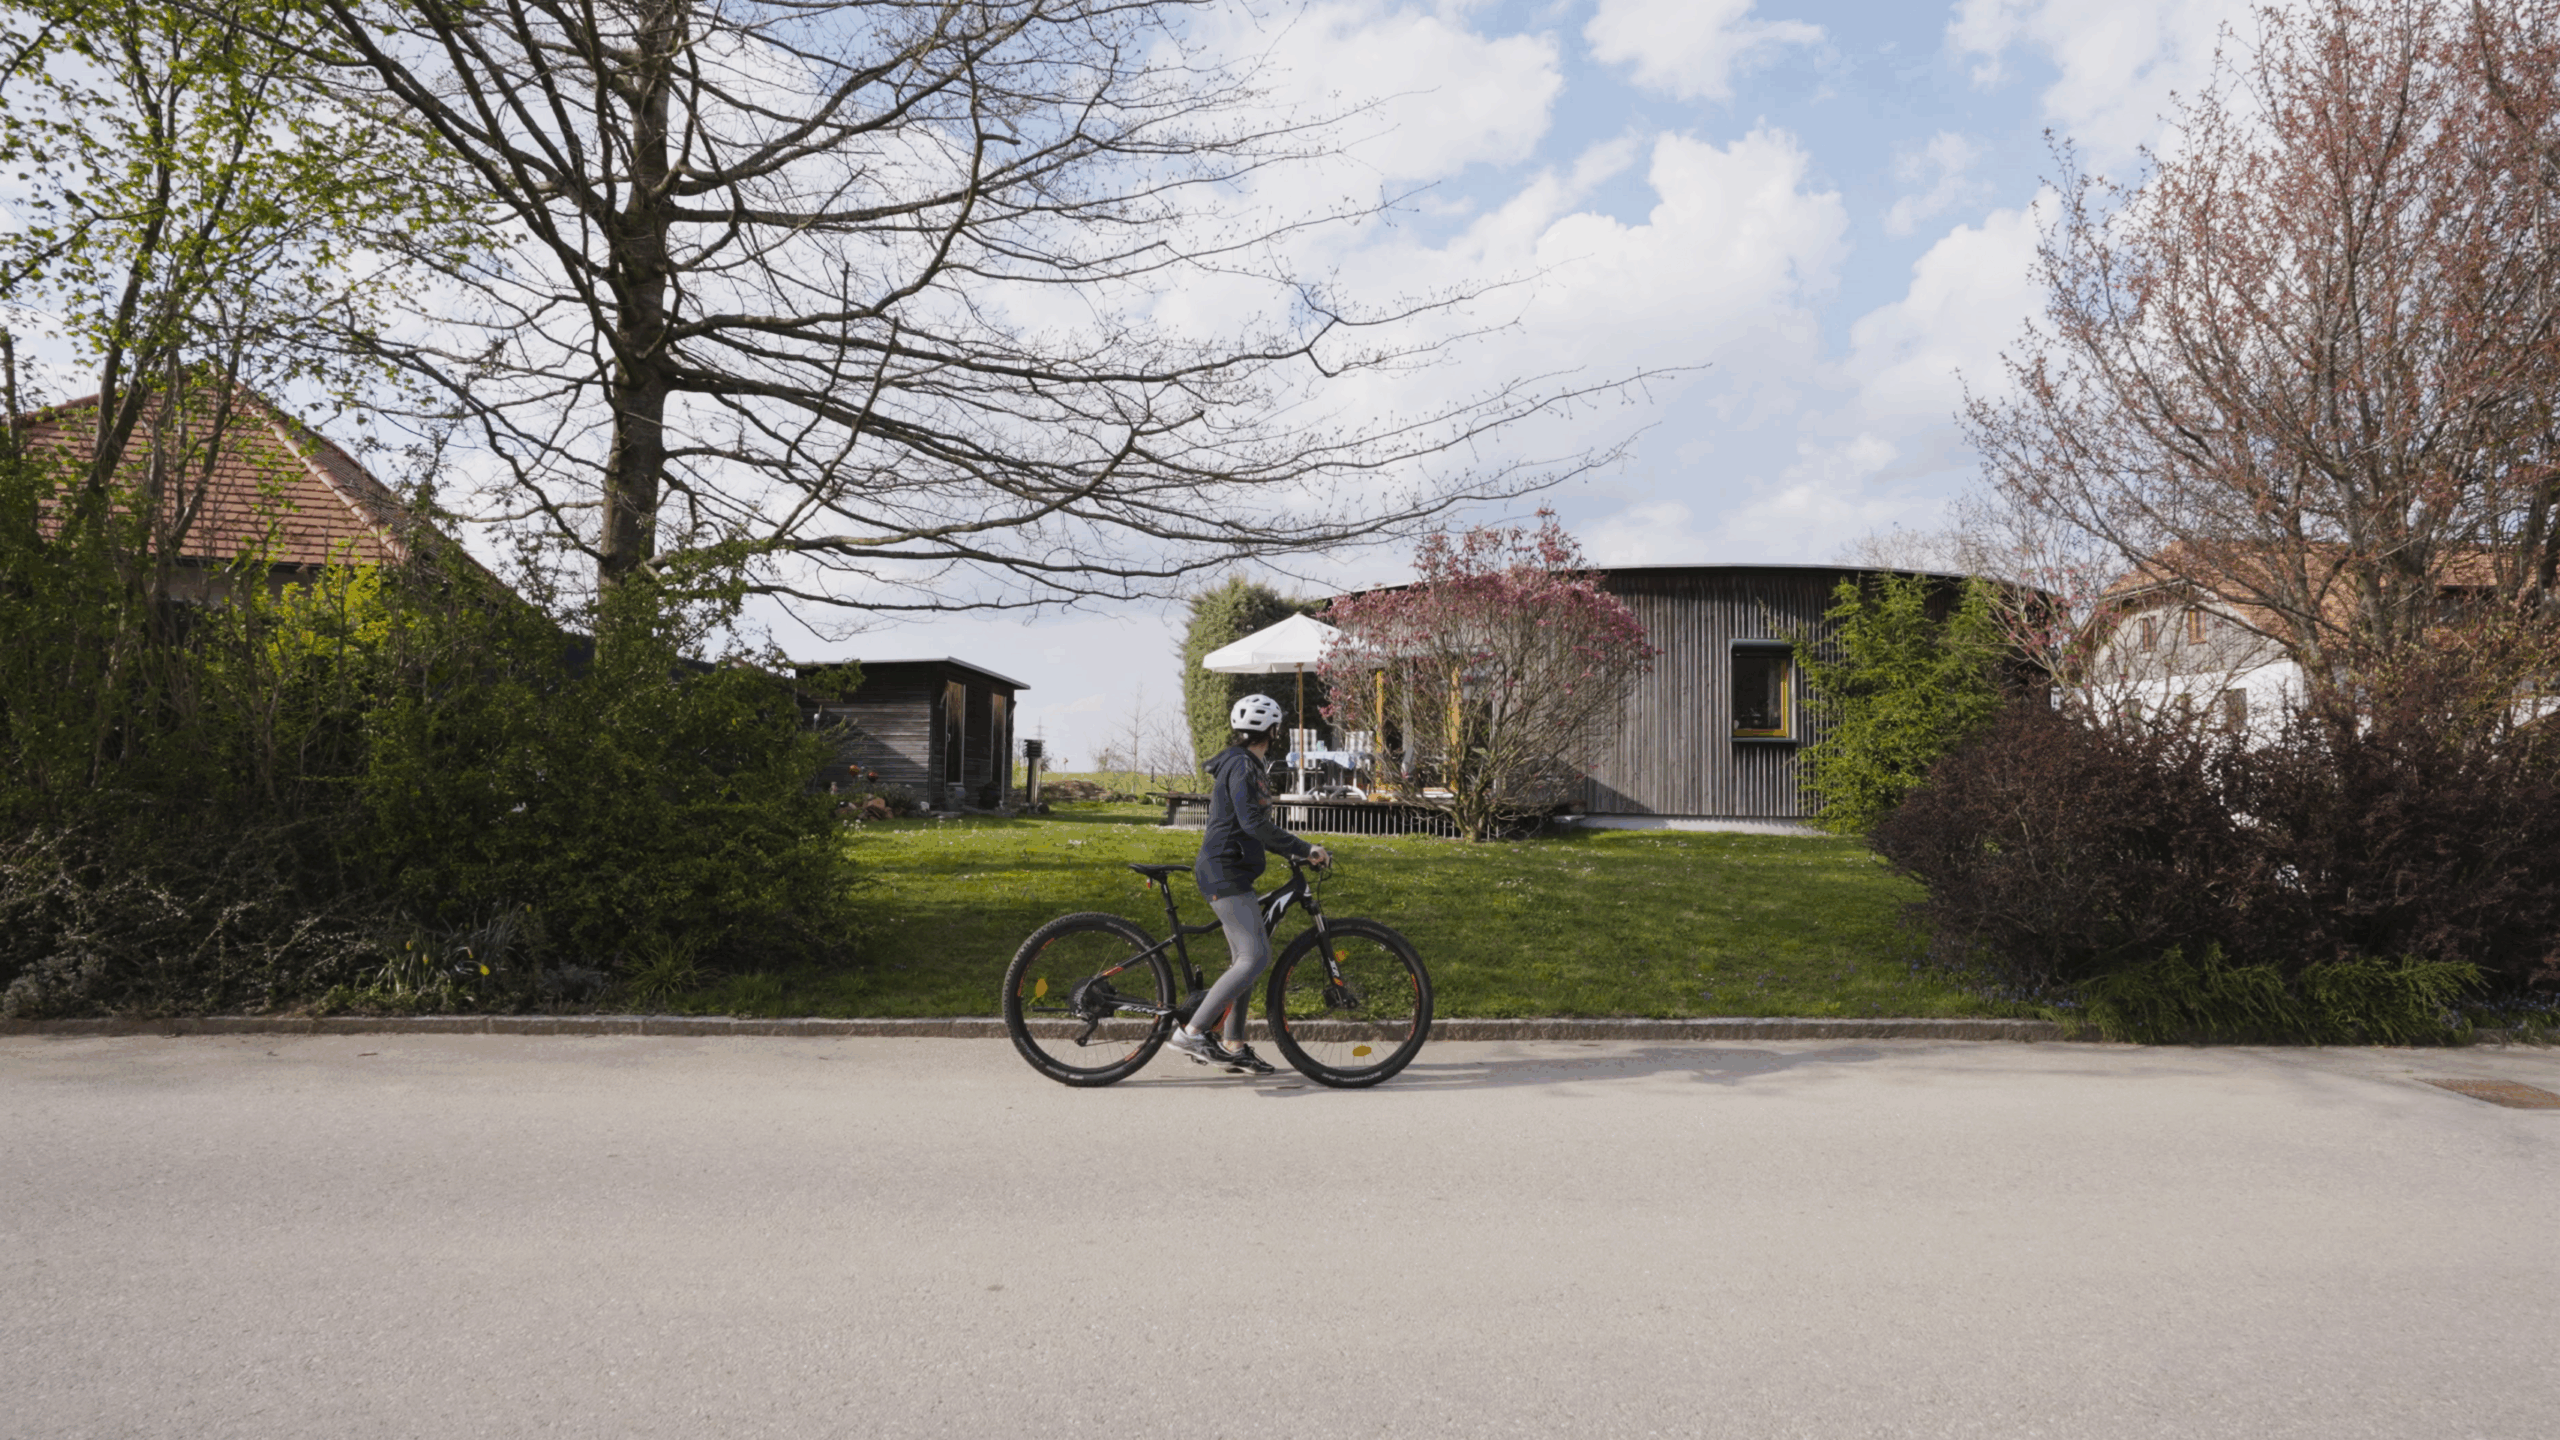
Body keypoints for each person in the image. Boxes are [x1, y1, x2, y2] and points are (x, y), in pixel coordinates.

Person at [1169, 693, 1330, 1074]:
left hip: (1233, 870)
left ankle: (1233, 1043)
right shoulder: (1242, 767)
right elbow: (1252, 824)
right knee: (1254, 956)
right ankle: (1192, 1031)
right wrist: (1304, 848)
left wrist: (1287, 849)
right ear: (1272, 731)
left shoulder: (1245, 763)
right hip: (1224, 871)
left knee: (1249, 959)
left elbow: (1252, 826)